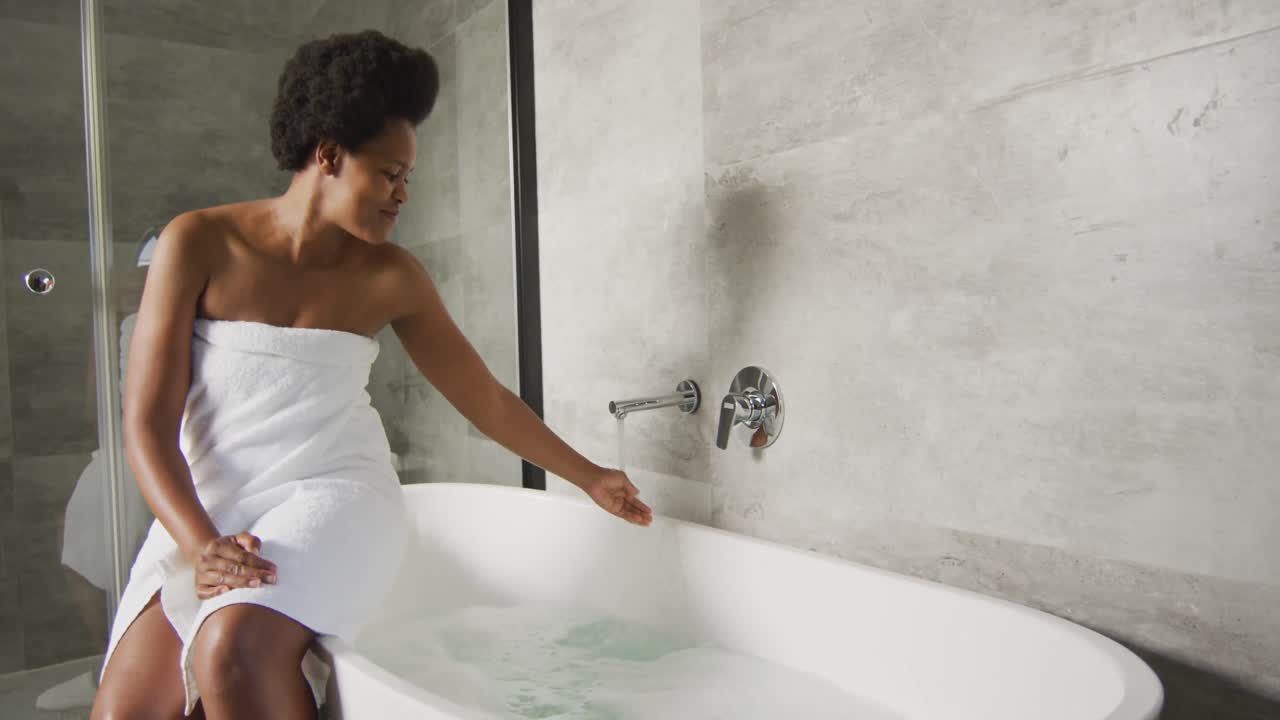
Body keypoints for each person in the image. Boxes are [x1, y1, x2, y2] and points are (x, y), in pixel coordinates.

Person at [89, 30, 651, 720]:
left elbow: (485, 400)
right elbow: (146, 424)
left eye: (406, 178)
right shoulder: (200, 242)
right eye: (390, 173)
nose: (402, 194)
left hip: (335, 492)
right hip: (211, 500)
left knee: (232, 649)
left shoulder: (392, 277)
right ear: (328, 155)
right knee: (123, 714)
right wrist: (201, 542)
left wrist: (588, 474)